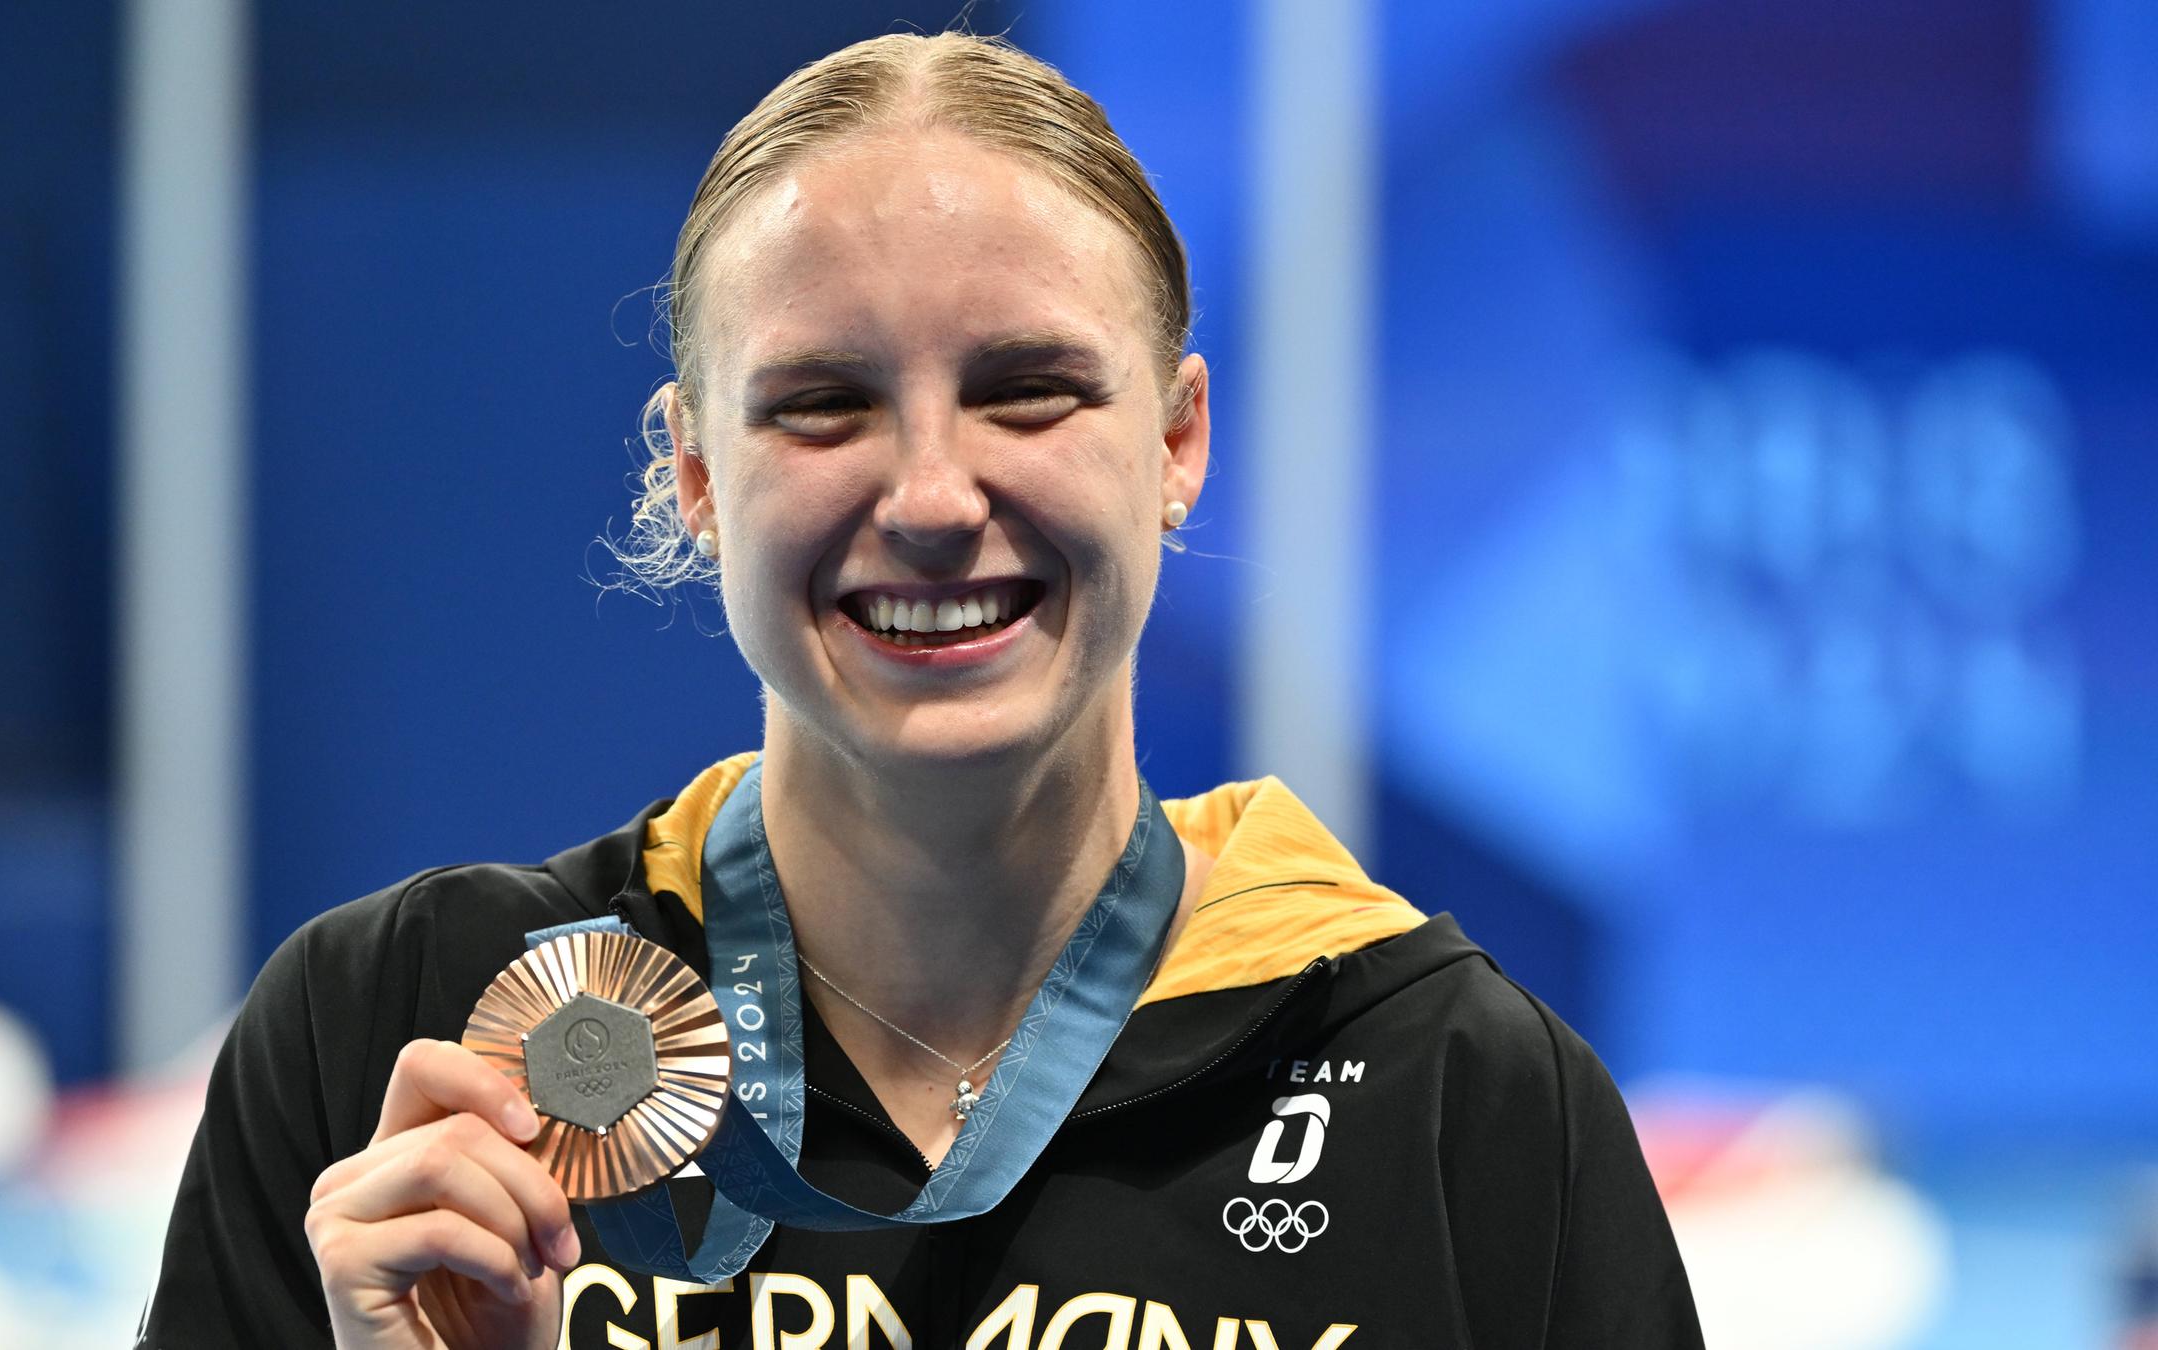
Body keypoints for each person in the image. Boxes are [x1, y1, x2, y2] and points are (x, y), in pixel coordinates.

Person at [139, 31, 1704, 1350]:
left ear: (1175, 442)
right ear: (694, 470)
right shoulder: (398, 1044)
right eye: (825, 405)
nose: (935, 493)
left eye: (1028, 389)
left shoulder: (1458, 1099)